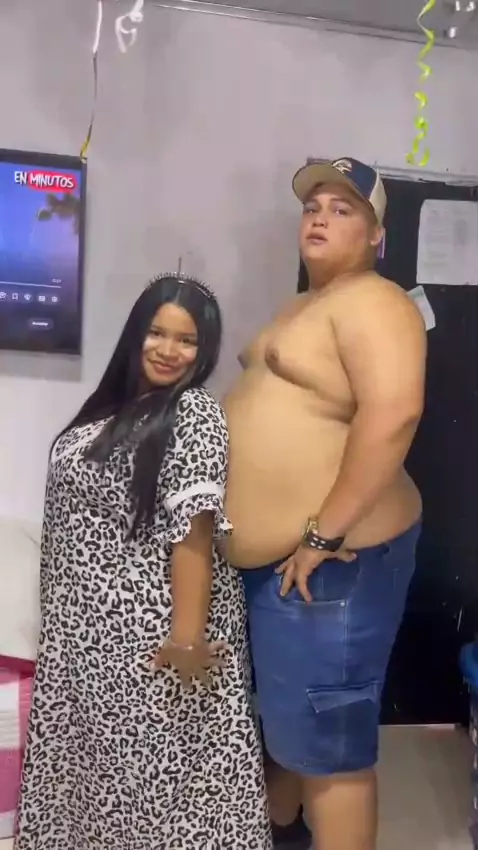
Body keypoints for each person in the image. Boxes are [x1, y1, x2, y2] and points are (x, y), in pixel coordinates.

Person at [15, 273, 271, 850]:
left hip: (149, 644)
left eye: (187, 340)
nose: (168, 350)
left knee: (155, 800)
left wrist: (185, 642)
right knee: (102, 789)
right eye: (157, 332)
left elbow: (195, 528)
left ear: (204, 351)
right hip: (91, 642)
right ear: (136, 334)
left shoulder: (194, 412)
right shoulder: (120, 407)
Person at [222, 157, 426, 850]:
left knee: (331, 750)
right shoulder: (306, 306)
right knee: (292, 729)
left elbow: (394, 413)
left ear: (376, 236)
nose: (320, 217)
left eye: (344, 210)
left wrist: (320, 534)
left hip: (332, 562)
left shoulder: (377, 300)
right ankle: (282, 832)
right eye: (313, 206)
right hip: (286, 563)